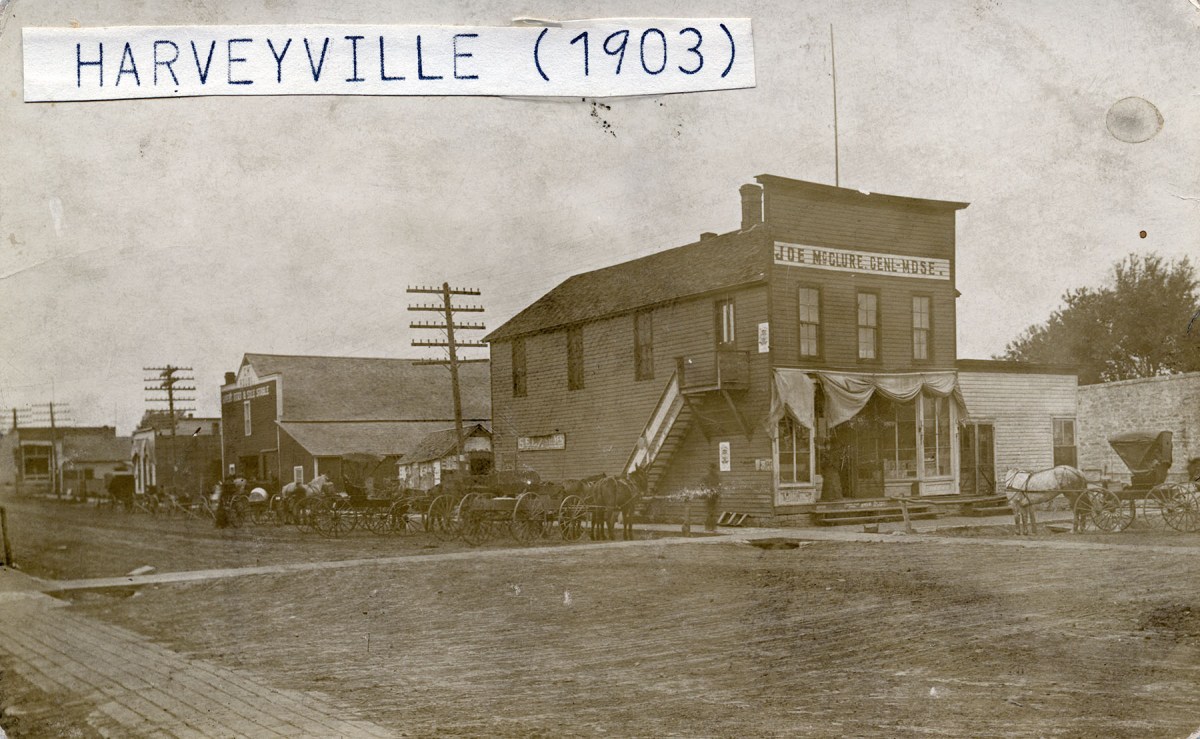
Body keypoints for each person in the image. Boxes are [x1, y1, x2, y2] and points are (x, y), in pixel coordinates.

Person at [702, 463, 721, 532]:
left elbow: (719, 486)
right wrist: (705, 491)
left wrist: (718, 494)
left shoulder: (717, 477)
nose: (712, 469)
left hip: (715, 497)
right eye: (710, 468)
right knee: (709, 512)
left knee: (713, 512)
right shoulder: (705, 477)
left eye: (713, 468)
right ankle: (708, 527)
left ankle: (713, 527)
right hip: (708, 496)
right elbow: (702, 486)